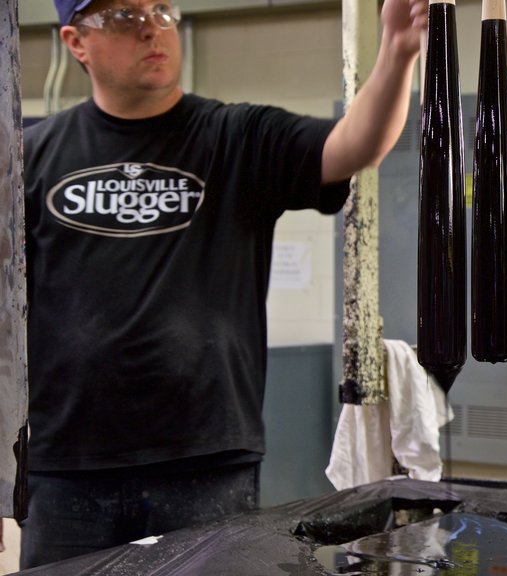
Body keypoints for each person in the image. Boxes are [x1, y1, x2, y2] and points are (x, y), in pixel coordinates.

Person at [19, 0, 427, 568]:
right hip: (68, 466)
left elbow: (351, 145)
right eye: (120, 17)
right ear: (75, 43)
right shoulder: (30, 157)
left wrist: (398, 52)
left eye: (160, 9)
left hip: (205, 459)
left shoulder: (235, 136)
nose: (150, 28)